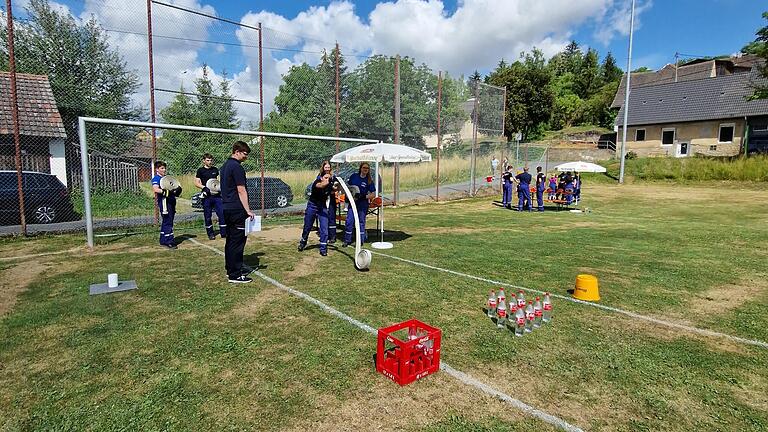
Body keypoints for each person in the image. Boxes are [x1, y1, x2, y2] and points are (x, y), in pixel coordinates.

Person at [220, 141, 255, 283]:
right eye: (245, 154)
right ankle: (235, 274)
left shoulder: (225, 166)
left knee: (230, 241)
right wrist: (248, 210)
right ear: (236, 151)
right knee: (238, 241)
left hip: (227, 208)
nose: (246, 157)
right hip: (236, 209)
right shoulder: (237, 167)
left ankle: (231, 268)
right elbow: (241, 190)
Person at [299, 161, 335, 256]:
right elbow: (321, 185)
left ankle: (323, 249)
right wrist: (326, 182)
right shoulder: (317, 182)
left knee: (324, 227)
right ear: (322, 177)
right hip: (313, 205)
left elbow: (333, 191)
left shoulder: (330, 183)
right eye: (325, 178)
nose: (327, 179)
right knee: (308, 226)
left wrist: (336, 187)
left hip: (322, 206)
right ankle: (303, 242)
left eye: (328, 177)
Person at [343, 163, 376, 247]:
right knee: (349, 221)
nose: (365, 169)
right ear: (360, 168)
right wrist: (348, 196)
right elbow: (348, 187)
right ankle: (347, 240)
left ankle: (360, 240)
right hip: (352, 203)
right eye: (364, 168)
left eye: (367, 168)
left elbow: (373, 194)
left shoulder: (369, 180)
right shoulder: (354, 176)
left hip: (362, 204)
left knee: (361, 222)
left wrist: (364, 196)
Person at [195, 153, 226, 240]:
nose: (210, 162)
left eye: (211, 160)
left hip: (216, 196)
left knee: (221, 213)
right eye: (208, 160)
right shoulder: (200, 170)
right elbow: (197, 183)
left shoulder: (215, 170)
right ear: (204, 161)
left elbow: (216, 182)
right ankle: (210, 233)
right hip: (207, 196)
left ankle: (224, 232)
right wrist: (204, 188)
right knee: (208, 215)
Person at [151, 160, 181, 249]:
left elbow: (173, 187)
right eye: (162, 168)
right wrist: (166, 192)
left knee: (168, 220)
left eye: (164, 168)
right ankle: (169, 241)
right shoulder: (156, 178)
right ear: (157, 169)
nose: (164, 170)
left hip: (171, 201)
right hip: (164, 202)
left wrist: (176, 190)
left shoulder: (167, 178)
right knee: (168, 220)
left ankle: (163, 239)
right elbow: (155, 189)